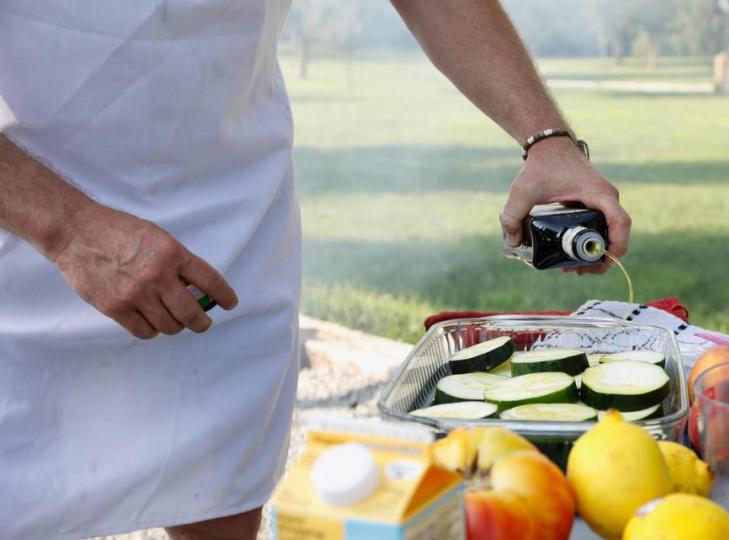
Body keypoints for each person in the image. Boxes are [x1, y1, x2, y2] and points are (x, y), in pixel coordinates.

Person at [0, 1, 631, 538]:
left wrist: (546, 139)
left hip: (228, 224)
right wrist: (67, 229)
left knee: (214, 495)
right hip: (23, 222)